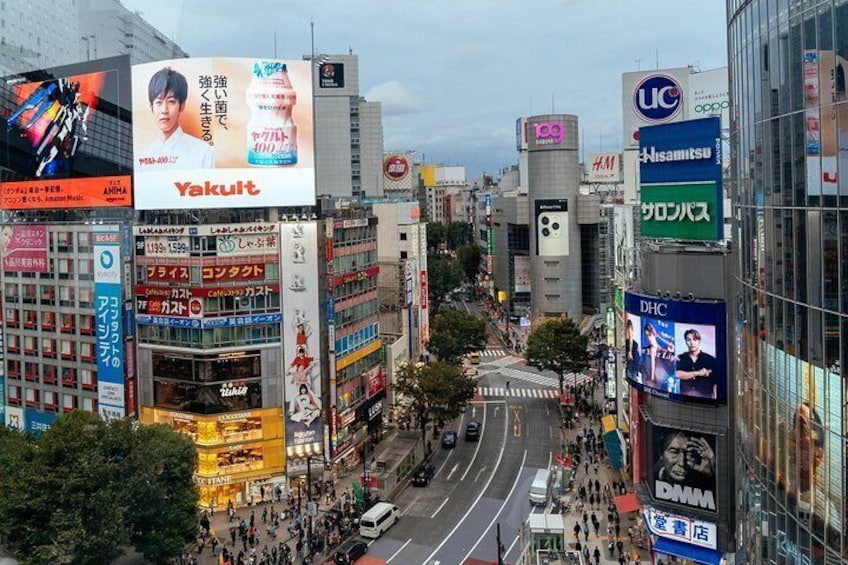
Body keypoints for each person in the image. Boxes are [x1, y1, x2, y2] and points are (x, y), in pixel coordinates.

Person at [137, 67, 214, 170]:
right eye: (159, 103)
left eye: (171, 101)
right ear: (151, 108)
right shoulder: (142, 157)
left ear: (181, 106)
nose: (164, 110)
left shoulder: (204, 153)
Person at [675, 329, 717, 398]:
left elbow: (715, 383)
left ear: (699, 341)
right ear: (685, 342)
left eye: (694, 339)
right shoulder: (681, 357)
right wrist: (698, 373)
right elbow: (677, 374)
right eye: (689, 340)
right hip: (685, 400)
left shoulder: (710, 359)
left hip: (705, 401)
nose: (692, 343)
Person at [624, 318, 640, 382]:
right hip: (633, 354)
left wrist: (629, 352)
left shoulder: (629, 329)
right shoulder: (629, 330)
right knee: (632, 373)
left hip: (632, 354)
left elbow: (630, 341)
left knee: (632, 373)